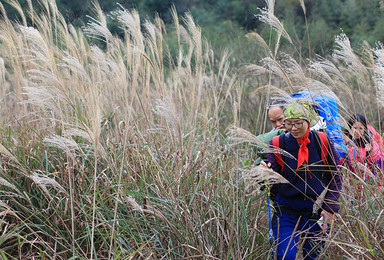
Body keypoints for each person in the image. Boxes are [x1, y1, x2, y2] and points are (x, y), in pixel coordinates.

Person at [265, 102, 342, 260]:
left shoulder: (322, 141)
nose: (293, 128)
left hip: (316, 210)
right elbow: (271, 180)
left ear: (309, 121)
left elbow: (335, 175)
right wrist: (264, 174)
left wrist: (330, 207)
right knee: (285, 255)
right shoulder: (277, 144)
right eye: (289, 123)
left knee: (312, 256)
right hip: (286, 211)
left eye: (298, 123)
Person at [343, 114, 384, 182]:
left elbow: (380, 163)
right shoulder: (344, 142)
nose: (357, 131)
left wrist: (371, 152)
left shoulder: (370, 143)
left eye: (360, 128)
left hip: (368, 183)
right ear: (350, 127)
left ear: (364, 129)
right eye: (355, 128)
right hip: (351, 183)